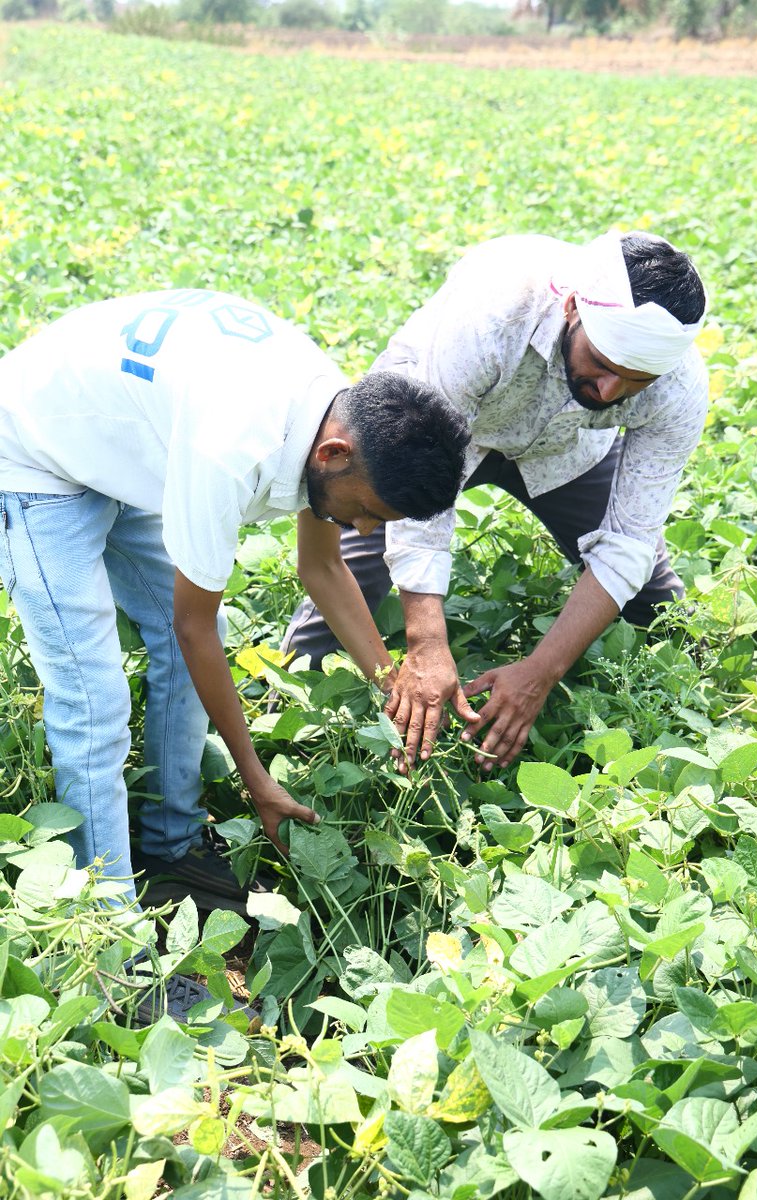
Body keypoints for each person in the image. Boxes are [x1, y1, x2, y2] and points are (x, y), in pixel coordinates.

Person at [0, 287, 469, 913]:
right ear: (334, 455)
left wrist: (394, 684)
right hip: (31, 450)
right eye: (363, 511)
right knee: (92, 696)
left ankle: (172, 844)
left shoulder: (335, 413)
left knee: (208, 629)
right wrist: (256, 781)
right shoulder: (233, 445)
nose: (361, 530)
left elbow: (321, 567)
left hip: (120, 443)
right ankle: (106, 926)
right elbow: (188, 626)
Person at [283, 229, 709, 775]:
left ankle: (697, 678)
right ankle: (289, 698)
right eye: (601, 363)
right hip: (430, 432)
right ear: (574, 307)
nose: (609, 392)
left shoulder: (678, 388)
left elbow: (629, 541)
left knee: (653, 600)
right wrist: (428, 642)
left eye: (635, 382)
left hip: (566, 450)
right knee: (355, 569)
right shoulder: (495, 312)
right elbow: (421, 516)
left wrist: (540, 672)